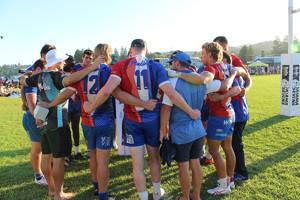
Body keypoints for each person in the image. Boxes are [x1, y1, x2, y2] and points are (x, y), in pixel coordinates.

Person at [83, 39, 200, 200]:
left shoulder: (121, 65)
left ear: (131, 50)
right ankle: (157, 193)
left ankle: (143, 197)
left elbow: (108, 92)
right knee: (153, 158)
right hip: (152, 121)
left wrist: (91, 107)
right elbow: (171, 93)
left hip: (132, 121)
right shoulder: (156, 66)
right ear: (146, 49)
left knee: (137, 164)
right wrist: (190, 111)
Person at [38, 43, 158, 200]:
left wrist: (50, 104)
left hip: (87, 122)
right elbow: (118, 91)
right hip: (104, 121)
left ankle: (96, 186)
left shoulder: (82, 72)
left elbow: (66, 93)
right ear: (108, 55)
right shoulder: (110, 71)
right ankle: (103, 195)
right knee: (102, 162)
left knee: (93, 157)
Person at [20, 49, 106, 200]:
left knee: (46, 156)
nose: (65, 63)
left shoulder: (39, 76)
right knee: (59, 160)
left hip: (44, 122)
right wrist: (91, 67)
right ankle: (59, 195)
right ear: (58, 62)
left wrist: (27, 74)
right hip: (58, 122)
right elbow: (71, 79)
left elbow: (22, 81)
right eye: (63, 61)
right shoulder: (57, 76)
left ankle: (52, 189)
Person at [159, 52, 222, 200]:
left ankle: (186, 197)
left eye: (172, 63)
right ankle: (196, 196)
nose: (171, 66)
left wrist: (162, 130)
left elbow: (166, 109)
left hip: (181, 132)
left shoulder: (173, 81)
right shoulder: (201, 81)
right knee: (195, 163)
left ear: (176, 63)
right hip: (198, 130)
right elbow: (222, 85)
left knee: (183, 167)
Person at [213, 36, 252, 182]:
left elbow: (245, 77)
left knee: (235, 143)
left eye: (215, 46)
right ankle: (232, 169)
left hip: (237, 110)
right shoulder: (222, 64)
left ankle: (241, 172)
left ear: (223, 46)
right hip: (232, 110)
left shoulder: (231, 61)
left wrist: (245, 90)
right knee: (229, 144)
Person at [22, 58, 48, 186]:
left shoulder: (34, 80)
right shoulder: (31, 82)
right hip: (33, 119)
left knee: (41, 148)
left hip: (36, 118)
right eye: (45, 71)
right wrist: (39, 119)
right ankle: (38, 176)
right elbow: (32, 106)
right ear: (38, 69)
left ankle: (41, 174)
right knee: (37, 148)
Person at [71, 49, 94, 159]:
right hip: (75, 102)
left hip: (87, 102)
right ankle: (75, 151)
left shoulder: (93, 68)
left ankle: (89, 148)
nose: (88, 60)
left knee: (87, 124)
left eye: (90, 58)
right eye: (86, 57)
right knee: (75, 127)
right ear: (82, 58)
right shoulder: (76, 68)